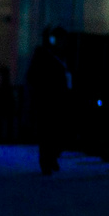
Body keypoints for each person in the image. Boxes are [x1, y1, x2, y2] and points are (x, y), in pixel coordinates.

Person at [26, 26, 76, 174]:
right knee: (47, 131)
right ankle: (46, 161)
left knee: (58, 130)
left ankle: (52, 157)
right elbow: (33, 75)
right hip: (47, 98)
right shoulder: (44, 54)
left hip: (60, 98)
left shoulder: (64, 55)